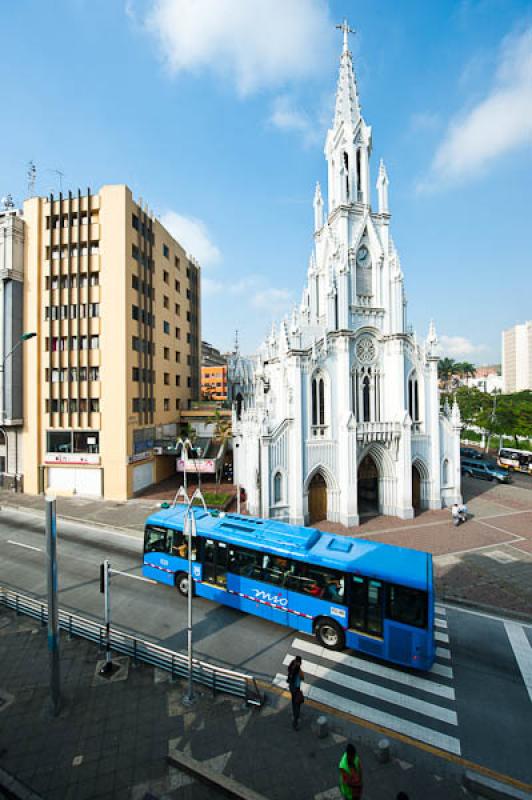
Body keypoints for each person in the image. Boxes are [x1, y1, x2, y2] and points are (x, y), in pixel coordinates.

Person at [287, 655, 304, 730]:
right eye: (300, 662)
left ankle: (295, 715)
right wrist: (300, 672)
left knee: (294, 702)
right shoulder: (297, 670)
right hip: (296, 689)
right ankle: (295, 722)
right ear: (299, 663)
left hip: (292, 687)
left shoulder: (292, 666)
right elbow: (302, 678)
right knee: (298, 704)